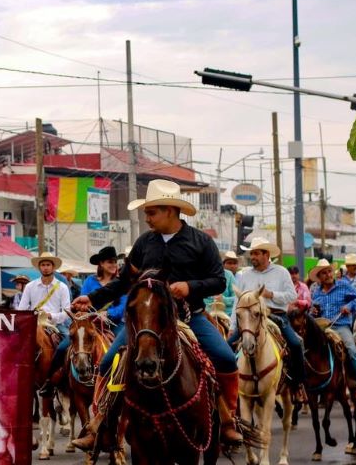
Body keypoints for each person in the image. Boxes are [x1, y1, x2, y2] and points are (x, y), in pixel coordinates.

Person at [70, 179, 242, 448]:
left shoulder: (201, 242)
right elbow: (124, 281)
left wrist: (189, 286)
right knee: (107, 362)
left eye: (151, 212)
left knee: (225, 358)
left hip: (188, 317)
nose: (147, 218)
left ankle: (228, 420)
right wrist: (91, 298)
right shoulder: (143, 244)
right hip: (145, 322)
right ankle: (99, 424)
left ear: (170, 211)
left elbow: (218, 280)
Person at [226, 237, 306, 401]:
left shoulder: (281, 272)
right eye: (252, 254)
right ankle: (228, 386)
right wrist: (233, 326)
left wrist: (272, 295)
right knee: (227, 346)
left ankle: (297, 384)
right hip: (250, 319)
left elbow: (292, 295)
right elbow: (237, 302)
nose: (252, 257)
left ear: (266, 254)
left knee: (296, 344)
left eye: (256, 253)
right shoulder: (245, 275)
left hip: (276, 316)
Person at [308, 259, 356, 402]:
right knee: (304, 350)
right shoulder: (316, 292)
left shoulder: (344, 286)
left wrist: (349, 307)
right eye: (324, 273)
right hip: (321, 328)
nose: (328, 275)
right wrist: (313, 312)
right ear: (319, 277)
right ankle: (305, 386)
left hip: (340, 325)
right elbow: (312, 312)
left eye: (329, 271)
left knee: (351, 350)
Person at [17, 252, 72, 389]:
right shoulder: (30, 286)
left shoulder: (62, 287)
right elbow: (21, 309)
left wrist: (50, 316)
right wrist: (32, 316)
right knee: (13, 343)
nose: (46, 267)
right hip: (34, 324)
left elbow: (66, 312)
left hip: (56, 324)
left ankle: (61, 375)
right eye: (43, 265)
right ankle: (17, 374)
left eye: (48, 265)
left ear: (53, 267)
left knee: (68, 342)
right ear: (39, 268)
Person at [81, 245, 127, 374]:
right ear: (101, 263)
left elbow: (122, 307)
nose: (114, 265)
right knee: (65, 346)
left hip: (116, 323)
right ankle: (53, 381)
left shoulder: (121, 282)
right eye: (110, 262)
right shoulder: (90, 281)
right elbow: (84, 303)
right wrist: (95, 314)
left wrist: (108, 313)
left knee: (126, 348)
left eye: (115, 262)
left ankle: (123, 378)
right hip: (91, 322)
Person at [206, 250, 238, 317]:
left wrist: (224, 299)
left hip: (226, 313)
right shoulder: (202, 275)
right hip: (206, 313)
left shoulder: (229, 275)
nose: (232, 266)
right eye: (229, 263)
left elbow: (237, 298)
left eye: (234, 263)